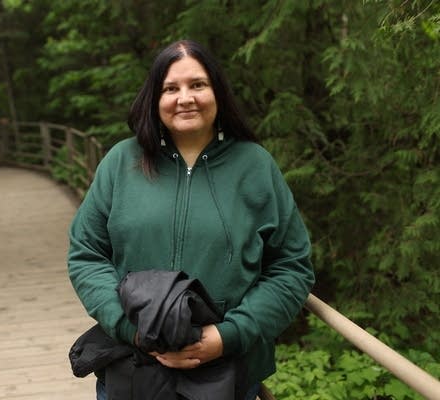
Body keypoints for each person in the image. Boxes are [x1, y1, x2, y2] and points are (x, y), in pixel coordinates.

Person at [67, 40, 315, 400]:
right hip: (133, 371)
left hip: (226, 373)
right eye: (171, 88)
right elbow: (86, 253)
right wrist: (129, 327)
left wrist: (229, 335)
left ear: (217, 92)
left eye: (197, 84)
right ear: (155, 98)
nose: (185, 98)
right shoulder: (122, 162)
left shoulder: (255, 167)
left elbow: (292, 267)